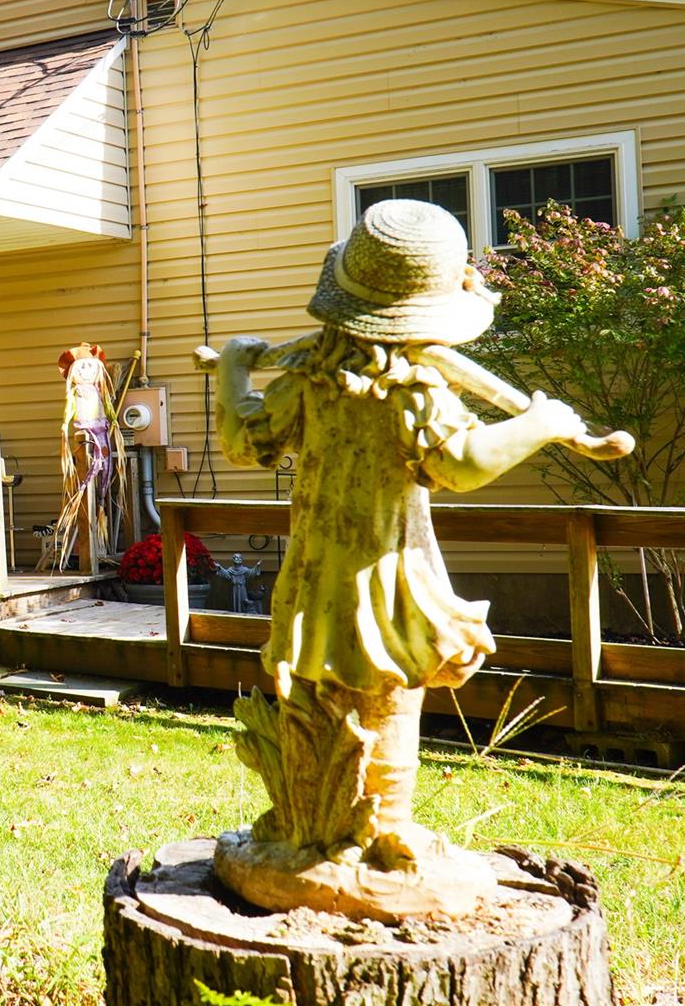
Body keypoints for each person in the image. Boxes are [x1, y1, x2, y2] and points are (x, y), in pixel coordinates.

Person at [211, 198, 590, 918]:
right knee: (390, 701)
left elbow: (245, 443)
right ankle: (368, 827)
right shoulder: (415, 390)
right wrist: (539, 424)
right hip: (387, 574)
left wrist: (232, 372)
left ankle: (359, 833)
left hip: (317, 575)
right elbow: (463, 462)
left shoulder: (309, 377)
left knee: (334, 699)